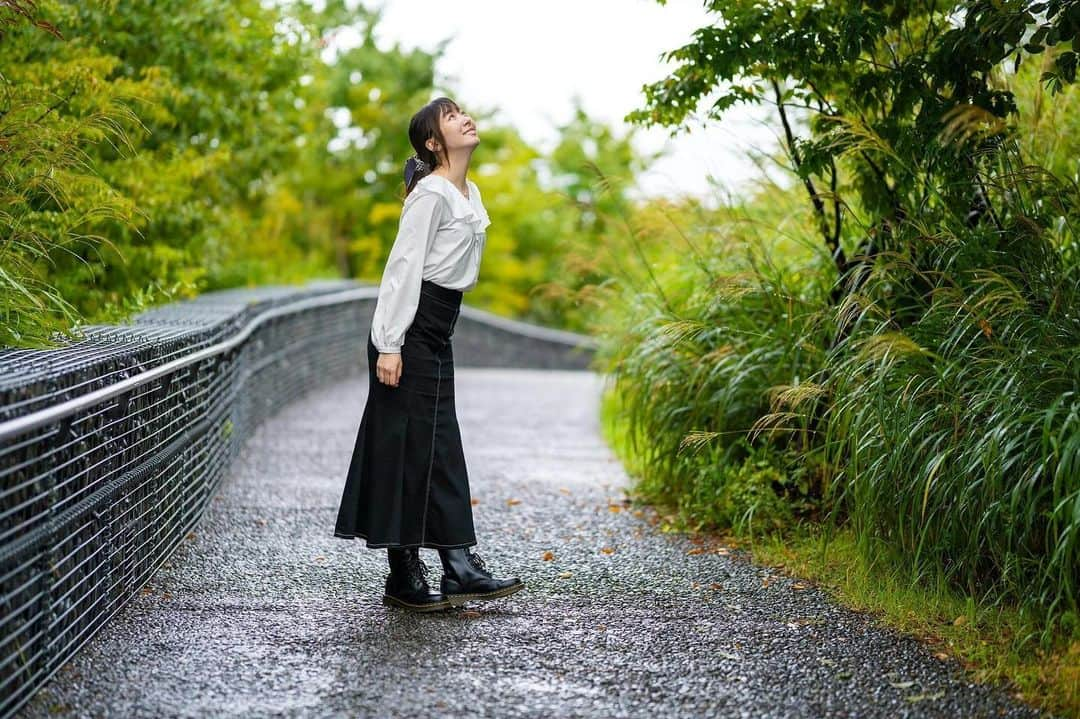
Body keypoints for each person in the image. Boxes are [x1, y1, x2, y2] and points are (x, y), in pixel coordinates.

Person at [333, 97, 524, 612]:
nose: (466, 117)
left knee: (438, 442)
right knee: (406, 446)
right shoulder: (430, 195)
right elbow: (402, 269)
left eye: (463, 111)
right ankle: (408, 572)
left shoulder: (468, 191)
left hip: (439, 328)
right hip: (409, 329)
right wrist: (390, 343)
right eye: (451, 116)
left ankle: (457, 566)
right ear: (433, 142)